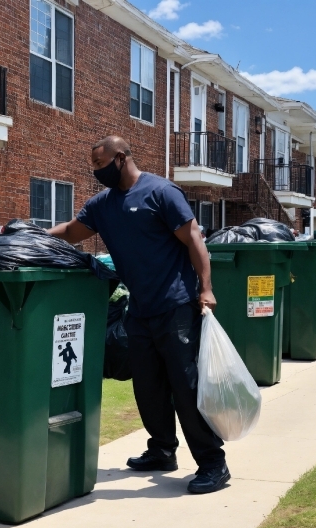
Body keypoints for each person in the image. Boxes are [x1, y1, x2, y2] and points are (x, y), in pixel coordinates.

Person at [48, 135, 229, 494]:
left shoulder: (160, 193)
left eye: (99, 165)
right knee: (147, 387)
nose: (96, 173)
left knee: (186, 385)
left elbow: (194, 238)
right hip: (139, 309)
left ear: (120, 158)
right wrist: (30, 237)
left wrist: (205, 288)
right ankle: (162, 450)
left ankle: (213, 463)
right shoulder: (102, 205)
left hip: (176, 305)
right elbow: (72, 231)